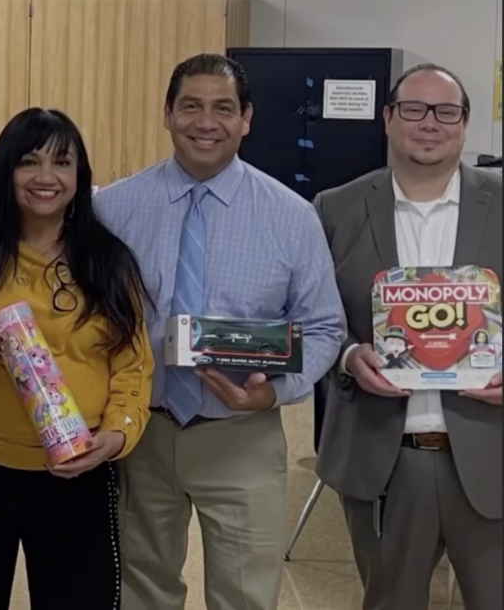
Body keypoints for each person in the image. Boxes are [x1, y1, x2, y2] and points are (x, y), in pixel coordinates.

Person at [93, 53, 346, 610]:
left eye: (223, 108)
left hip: (242, 436)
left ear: (246, 118)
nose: (206, 122)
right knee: (142, 589)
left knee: (244, 596)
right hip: (142, 436)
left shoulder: (291, 215)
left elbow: (325, 326)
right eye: (191, 106)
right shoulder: (111, 208)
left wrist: (275, 391)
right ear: (167, 114)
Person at [0, 107, 154, 610]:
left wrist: (116, 435)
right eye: (29, 162)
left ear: (80, 175)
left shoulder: (108, 261)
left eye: (62, 162)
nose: (46, 177)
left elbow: (133, 367)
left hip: (77, 473)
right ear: (5, 171)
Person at [313, 64, 503, 610]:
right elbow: (314, 321)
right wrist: (349, 357)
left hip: (490, 453)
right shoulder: (334, 208)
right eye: (414, 109)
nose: (430, 123)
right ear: (388, 119)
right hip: (384, 460)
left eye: (446, 111)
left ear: (465, 124)